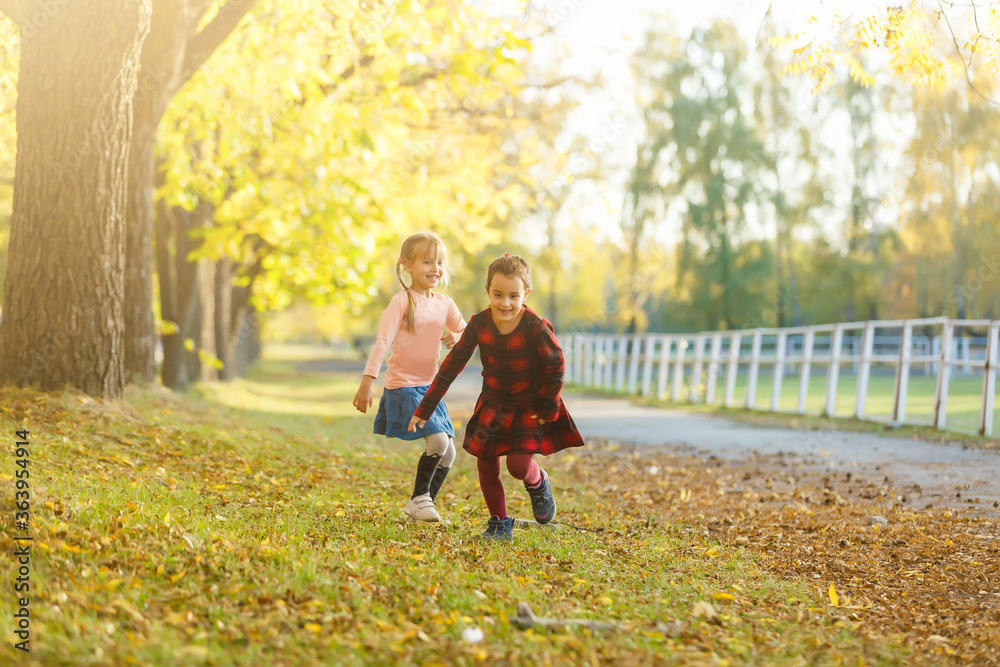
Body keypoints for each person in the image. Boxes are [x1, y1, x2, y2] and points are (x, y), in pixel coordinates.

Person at [408, 253, 585, 540]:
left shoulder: (535, 327)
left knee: (518, 466)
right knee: (486, 464)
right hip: (493, 402)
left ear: (525, 294)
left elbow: (556, 364)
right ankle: (500, 524)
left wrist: (548, 403)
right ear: (488, 291)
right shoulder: (480, 323)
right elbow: (452, 365)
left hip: (528, 404)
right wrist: (425, 407)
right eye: (498, 294)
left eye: (514, 295)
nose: (505, 303)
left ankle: (538, 482)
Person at [353, 231, 466, 523]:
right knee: (438, 442)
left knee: (449, 453)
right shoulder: (402, 301)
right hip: (404, 386)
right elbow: (383, 342)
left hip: (431, 389)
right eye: (427, 262)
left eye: (440, 262)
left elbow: (467, 332)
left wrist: (456, 337)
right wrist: (367, 381)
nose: (435, 268)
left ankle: (423, 503)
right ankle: (419, 501)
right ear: (407, 265)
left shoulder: (445, 303)